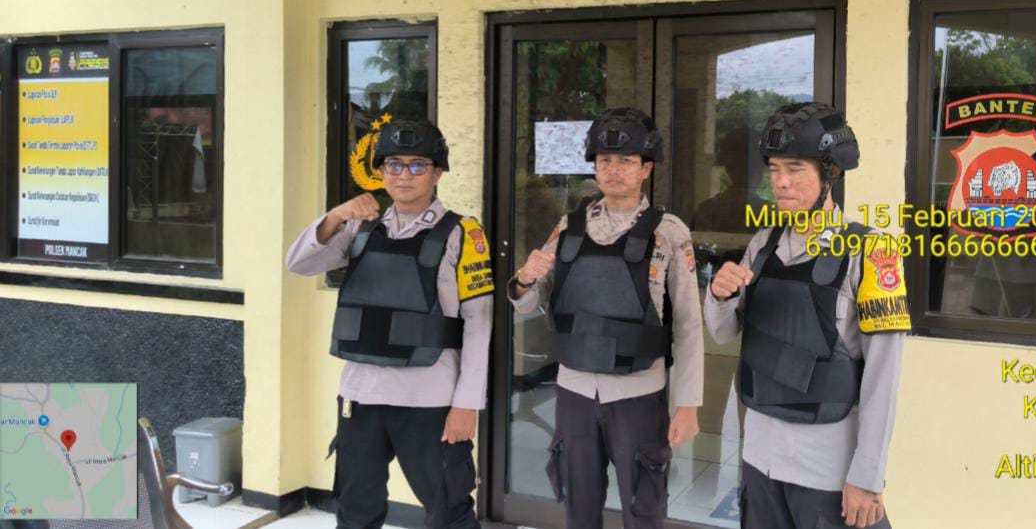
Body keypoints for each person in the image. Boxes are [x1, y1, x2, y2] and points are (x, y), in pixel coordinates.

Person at [705, 102, 910, 529]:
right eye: (775, 169)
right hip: (759, 459)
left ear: (830, 172)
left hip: (826, 471)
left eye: (795, 169)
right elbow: (724, 334)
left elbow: (883, 376)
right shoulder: (763, 244)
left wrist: (867, 476)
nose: (780, 182)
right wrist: (720, 294)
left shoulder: (873, 251)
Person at [285, 119, 493, 529]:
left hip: (430, 398)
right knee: (355, 511)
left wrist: (466, 404)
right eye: (394, 164)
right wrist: (336, 215)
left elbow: (479, 322)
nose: (404, 175)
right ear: (380, 172)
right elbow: (299, 264)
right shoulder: (360, 228)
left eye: (418, 165)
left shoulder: (462, 233)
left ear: (437, 173)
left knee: (448, 512)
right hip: (362, 395)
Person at [509, 107, 704, 529]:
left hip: (637, 393)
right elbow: (529, 302)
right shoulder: (569, 226)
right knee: (578, 506)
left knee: (643, 507)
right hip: (574, 391)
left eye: (625, 160)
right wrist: (524, 280)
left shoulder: (669, 232)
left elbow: (688, 324)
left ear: (646, 168)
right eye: (604, 160)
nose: (613, 170)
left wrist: (687, 404)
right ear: (594, 168)